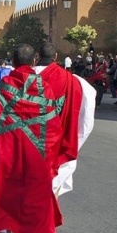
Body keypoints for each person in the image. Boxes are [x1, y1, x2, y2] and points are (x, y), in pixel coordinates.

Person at [0, 43, 64, 233]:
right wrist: (51, 156)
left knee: (7, 192)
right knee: (30, 198)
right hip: (36, 154)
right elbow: (54, 127)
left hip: (7, 153)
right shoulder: (45, 87)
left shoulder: (1, 87)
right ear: (34, 61)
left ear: (13, 62)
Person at [33, 43, 95, 199]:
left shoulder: (22, 78)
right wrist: (74, 142)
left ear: (37, 57)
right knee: (51, 187)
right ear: (55, 57)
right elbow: (86, 120)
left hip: (28, 142)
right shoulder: (76, 82)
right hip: (58, 144)